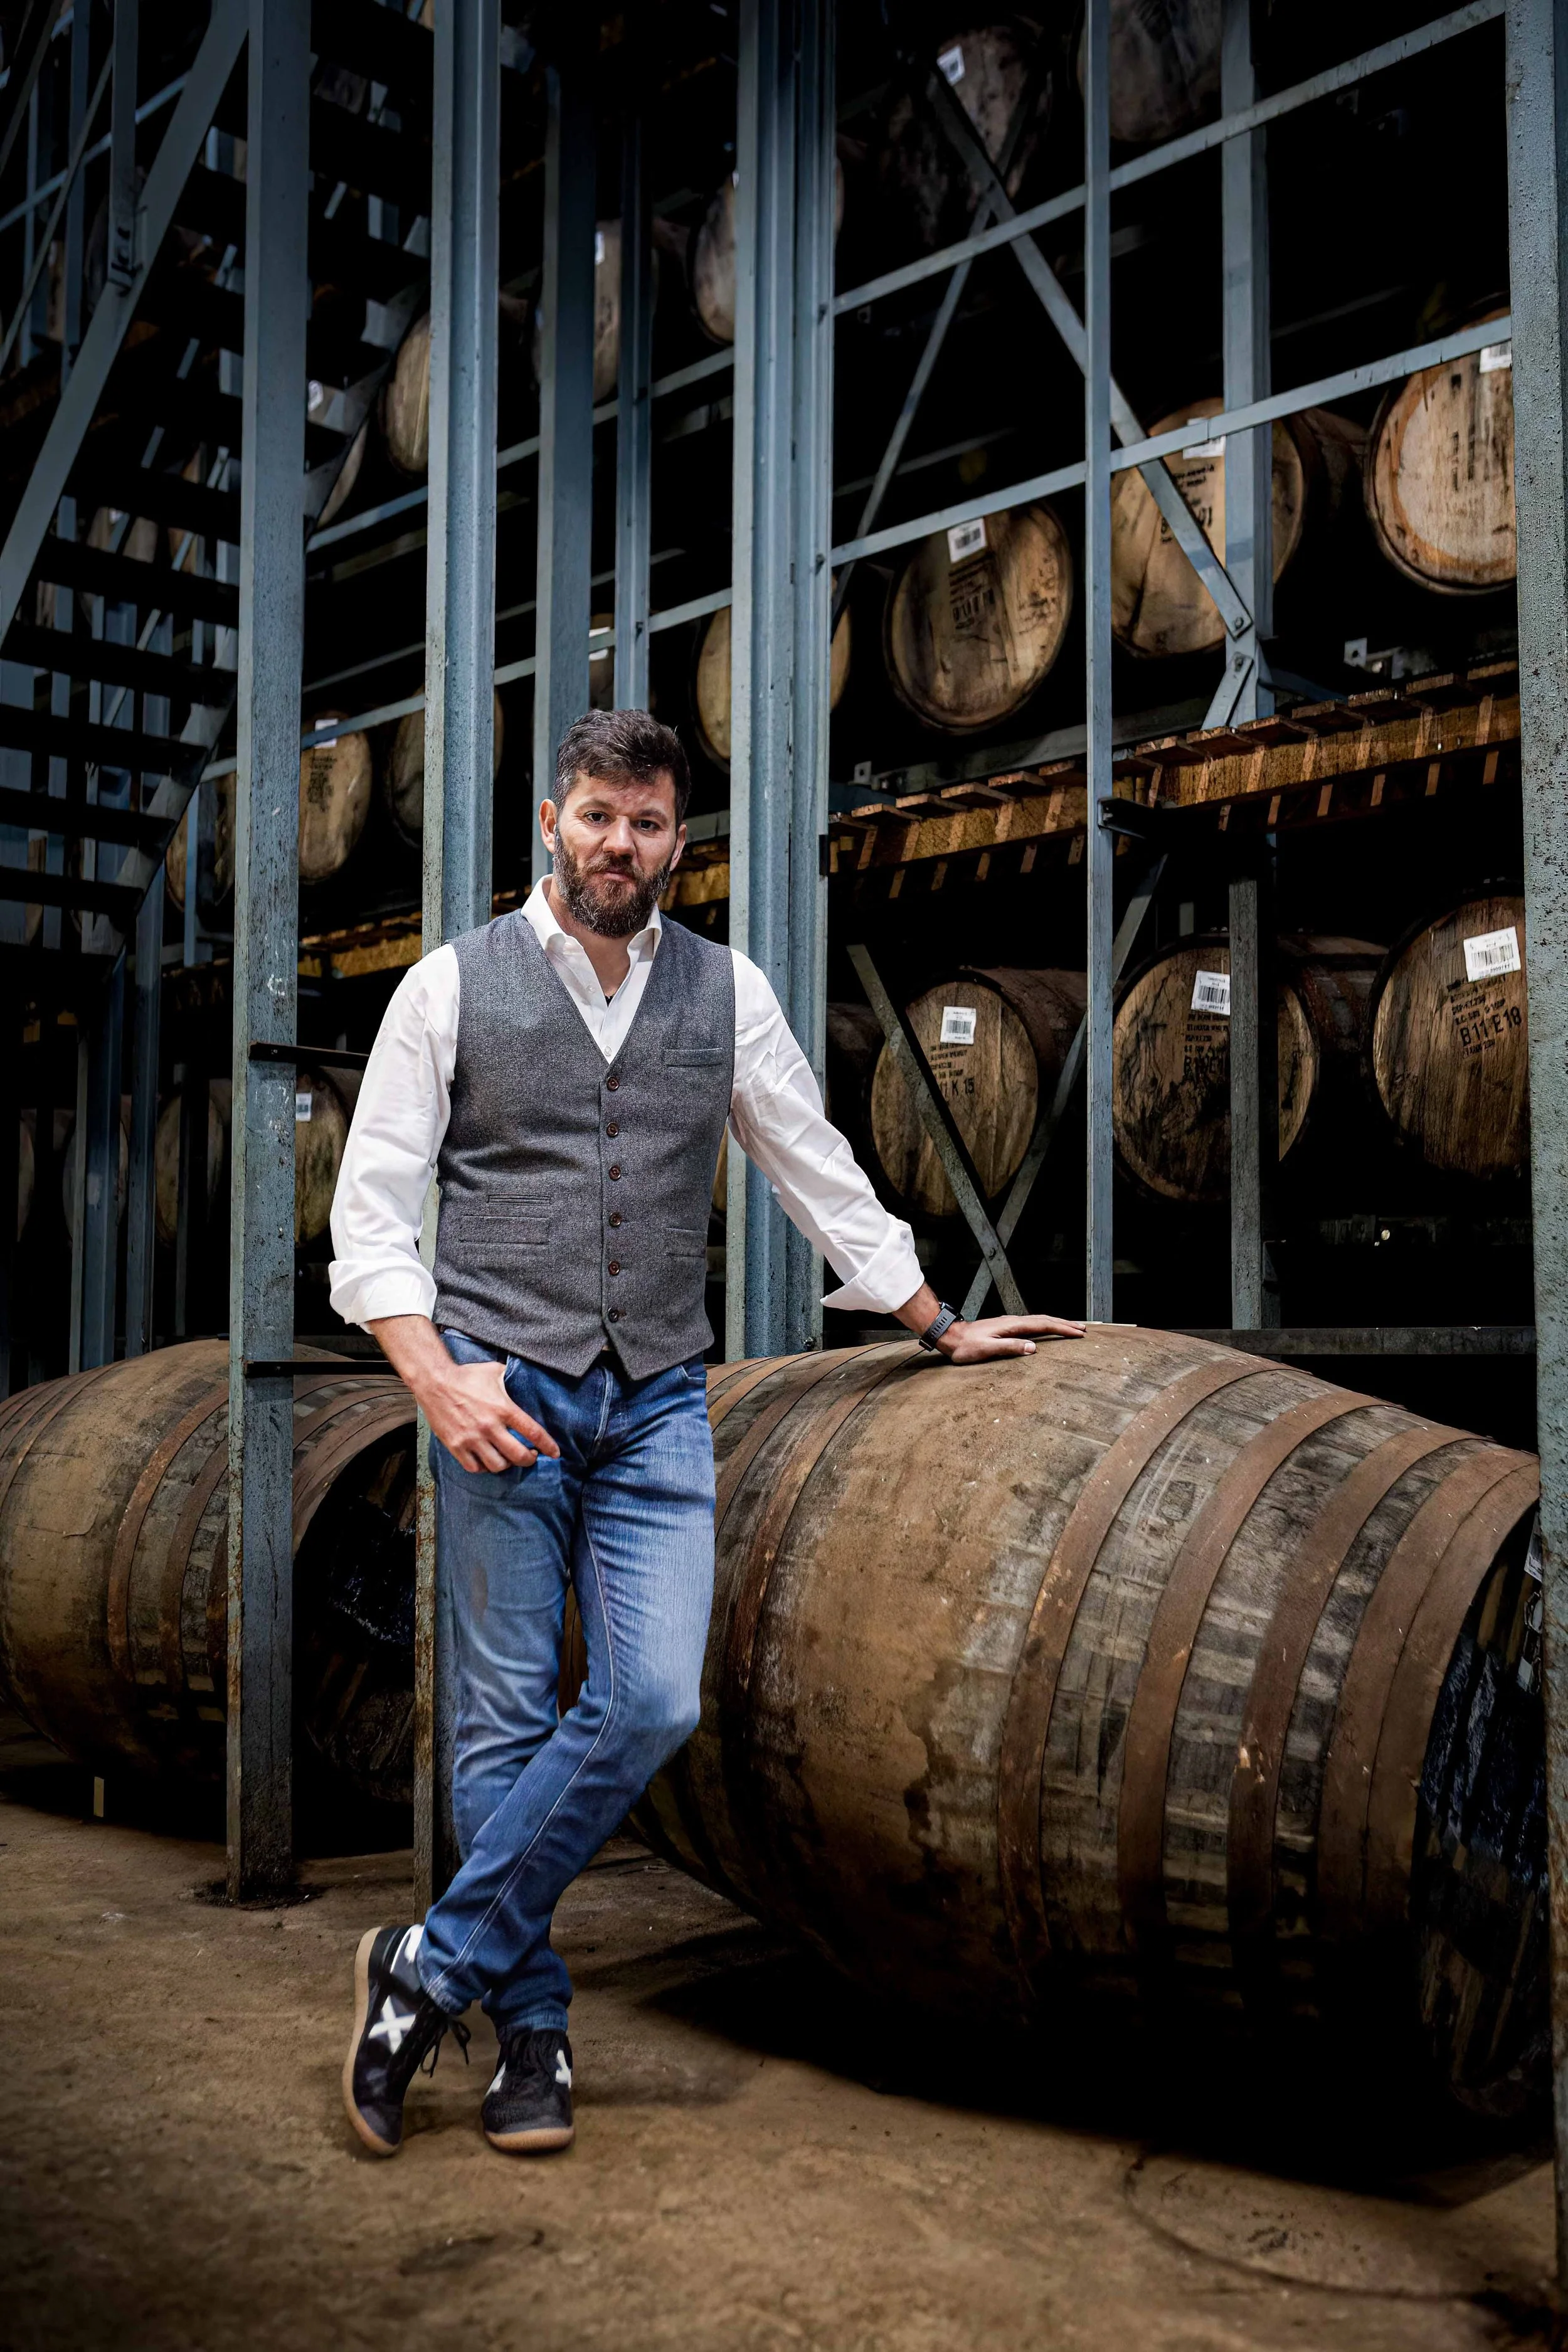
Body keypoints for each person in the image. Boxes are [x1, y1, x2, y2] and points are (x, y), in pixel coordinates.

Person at [330, 707, 1083, 2160]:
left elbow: (813, 1162)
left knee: (653, 1701)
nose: (621, 844)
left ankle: (423, 1970)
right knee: (498, 1728)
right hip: (497, 1392)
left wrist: (933, 1319)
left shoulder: (722, 995)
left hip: (656, 1399)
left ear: (682, 839)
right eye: (598, 815)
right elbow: (371, 1214)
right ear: (551, 822)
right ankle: (533, 2032)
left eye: (650, 822)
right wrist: (431, 1376)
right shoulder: (446, 988)